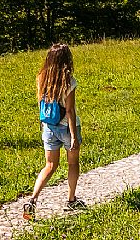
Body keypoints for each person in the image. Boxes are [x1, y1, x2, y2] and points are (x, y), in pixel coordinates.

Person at [23, 43, 87, 219]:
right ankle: (71, 200)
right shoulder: (69, 81)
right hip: (66, 127)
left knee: (50, 166)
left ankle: (32, 200)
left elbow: (41, 104)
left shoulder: (41, 78)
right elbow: (70, 111)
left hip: (49, 127)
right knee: (73, 164)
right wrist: (74, 136)